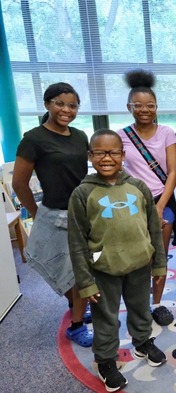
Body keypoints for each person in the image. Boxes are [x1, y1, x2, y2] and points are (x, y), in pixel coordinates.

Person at [68, 130, 167, 393]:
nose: (107, 157)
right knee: (106, 317)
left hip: (139, 263)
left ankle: (143, 341)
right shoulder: (82, 193)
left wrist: (158, 264)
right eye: (99, 152)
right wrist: (86, 283)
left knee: (140, 308)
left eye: (113, 152)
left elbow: (153, 229)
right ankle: (105, 360)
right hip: (104, 267)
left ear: (123, 155)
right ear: (90, 156)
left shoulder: (138, 187)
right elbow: (77, 242)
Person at [12, 82, 93, 347]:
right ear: (47, 104)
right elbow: (19, 184)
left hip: (82, 212)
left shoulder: (80, 136)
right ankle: (77, 316)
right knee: (64, 267)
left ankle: (77, 319)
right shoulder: (33, 139)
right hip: (53, 213)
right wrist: (37, 214)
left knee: (82, 270)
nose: (66, 110)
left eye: (72, 105)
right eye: (60, 103)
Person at [117, 69, 176, 326]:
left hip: (160, 200)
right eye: (138, 105)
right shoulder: (120, 136)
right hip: (132, 204)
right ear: (129, 106)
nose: (145, 110)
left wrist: (161, 205)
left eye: (150, 105)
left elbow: (174, 171)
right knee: (134, 257)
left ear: (156, 107)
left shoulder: (166, 132)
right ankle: (138, 303)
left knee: (159, 255)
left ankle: (157, 303)